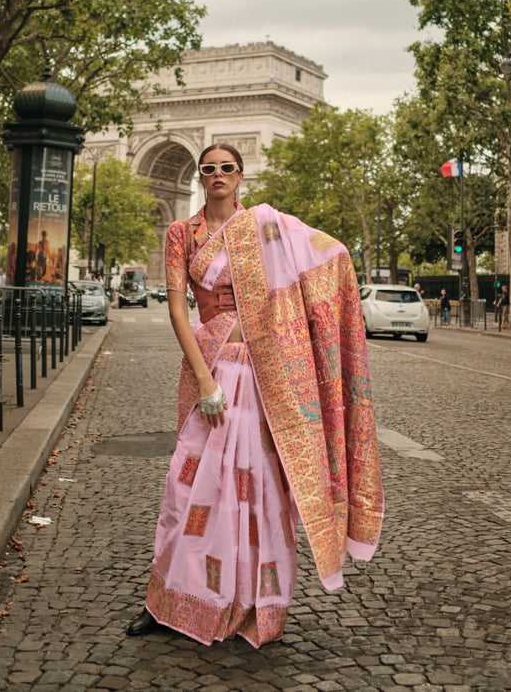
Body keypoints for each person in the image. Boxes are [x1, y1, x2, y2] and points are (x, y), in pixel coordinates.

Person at [125, 144, 384, 648]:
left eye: (226, 167)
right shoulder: (181, 233)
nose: (217, 174)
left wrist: (340, 265)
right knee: (189, 490)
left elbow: (329, 257)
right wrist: (204, 380)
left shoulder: (270, 230)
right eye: (208, 169)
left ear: (241, 176)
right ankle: (167, 601)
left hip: (265, 377)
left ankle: (250, 604)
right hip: (212, 368)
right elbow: (179, 311)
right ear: (199, 177)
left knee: (260, 492)